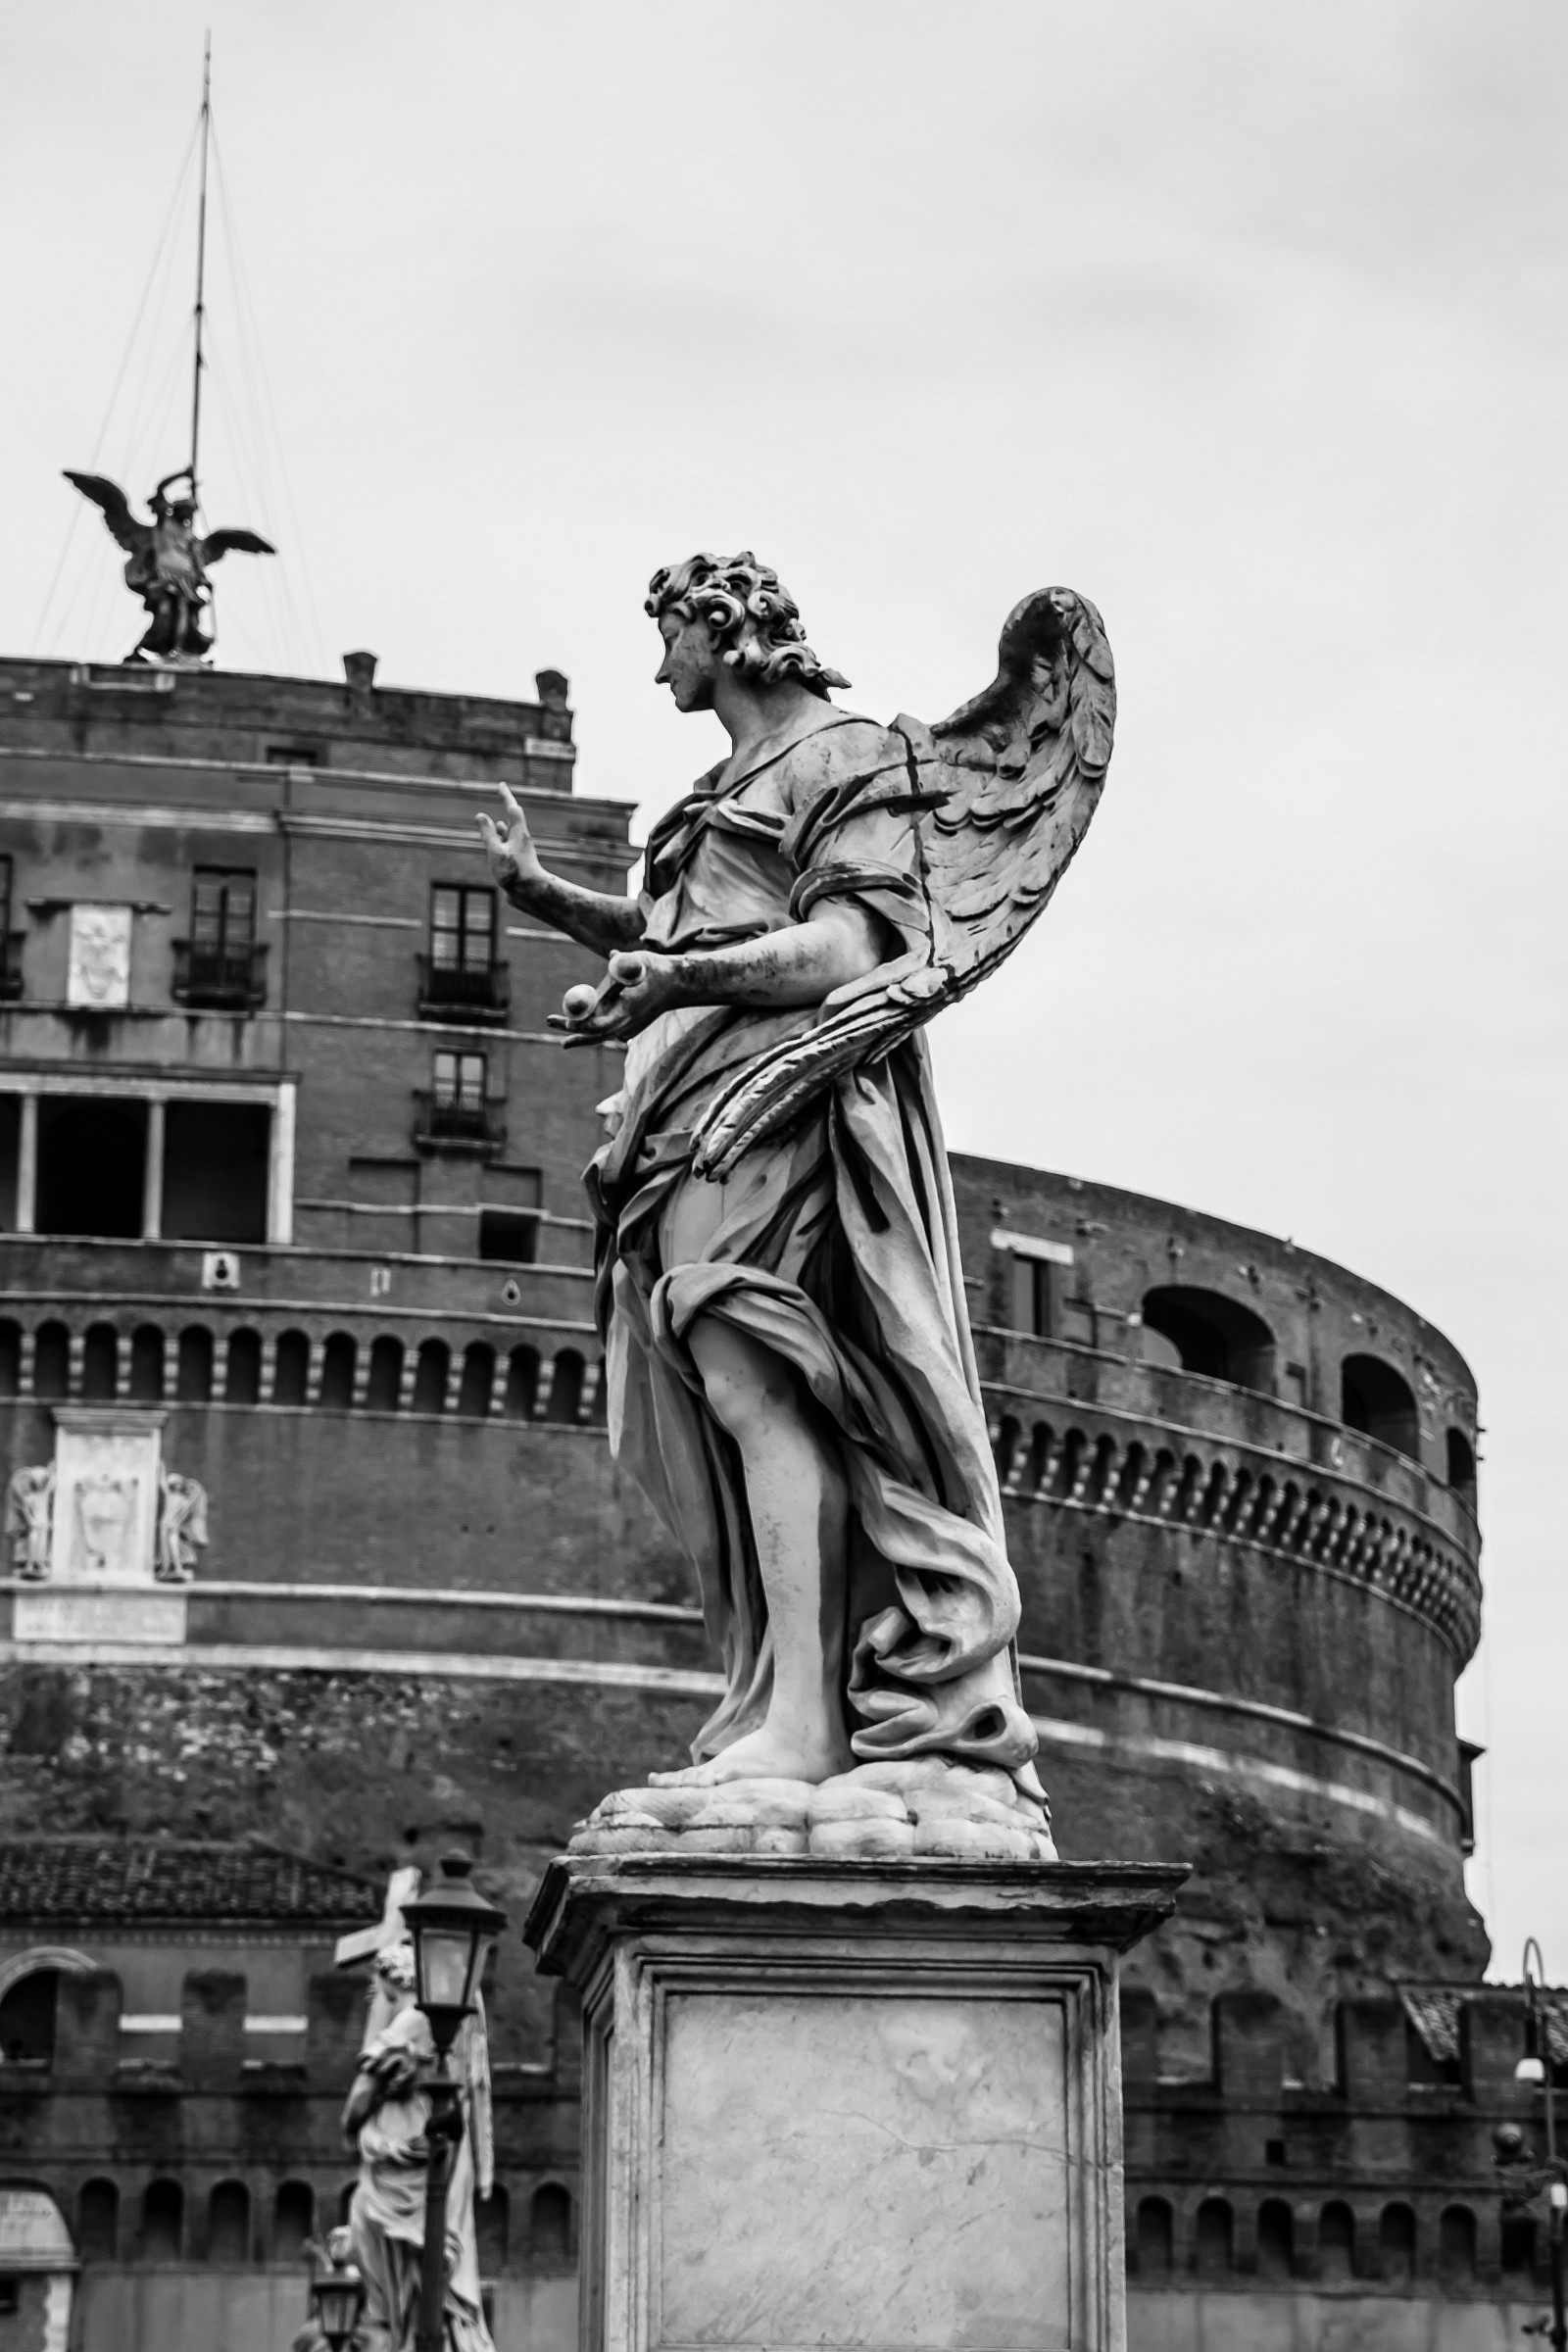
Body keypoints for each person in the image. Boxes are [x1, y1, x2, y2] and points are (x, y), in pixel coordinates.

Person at [479, 553, 1044, 1813]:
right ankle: (782, 1700)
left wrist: (678, 984)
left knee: (754, 1377)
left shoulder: (843, 758)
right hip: (687, 1106)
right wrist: (548, 900)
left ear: (725, 631)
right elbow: (676, 935)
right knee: (727, 1403)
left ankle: (805, 1723)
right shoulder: (719, 787)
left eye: (669, 636)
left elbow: (847, 948)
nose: (659, 664)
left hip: (781, 1102)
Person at [342, 1940, 495, 2352]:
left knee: (379, 2234)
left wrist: (352, 2124)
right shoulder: (452, 2021)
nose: (376, 1994)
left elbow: (361, 2092)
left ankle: (409, 2336)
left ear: (392, 1980)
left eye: (378, 1987)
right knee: (426, 2251)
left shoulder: (410, 2020)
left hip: (404, 2155)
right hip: (432, 2149)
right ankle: (423, 2333)